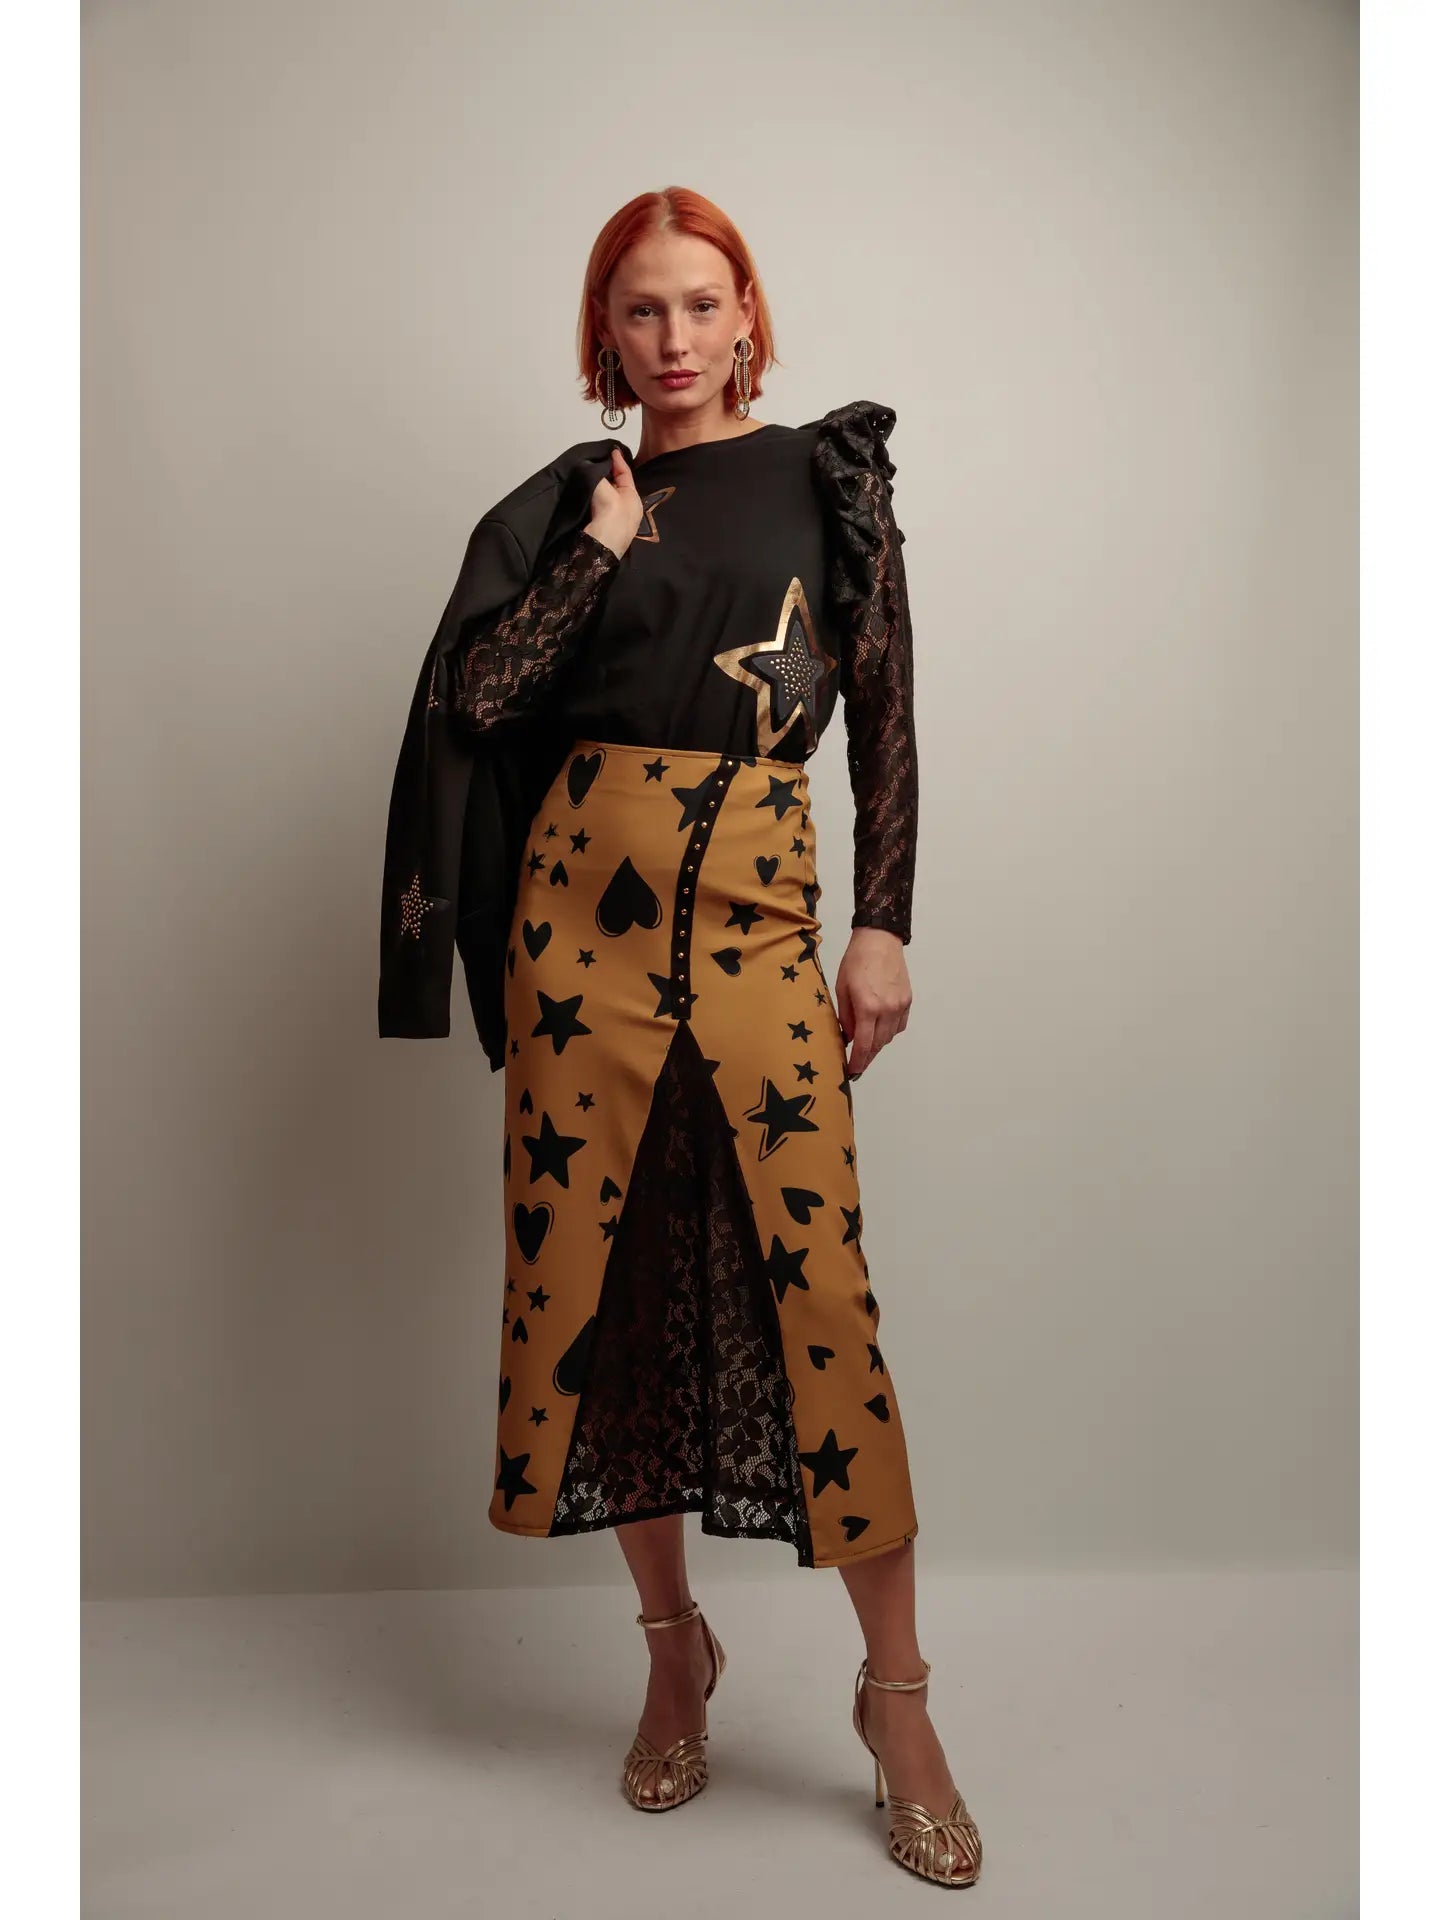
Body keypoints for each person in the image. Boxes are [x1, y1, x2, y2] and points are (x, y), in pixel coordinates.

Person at [437, 186, 980, 1887]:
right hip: (574, 934)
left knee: (822, 1297)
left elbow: (883, 709)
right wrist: (599, 551)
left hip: (754, 905)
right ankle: (676, 1653)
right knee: (605, 1297)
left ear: (749, 313)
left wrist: (880, 923)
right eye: (638, 310)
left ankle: (897, 1700)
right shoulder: (573, 502)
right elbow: (482, 699)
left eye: (699, 303)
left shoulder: (828, 478)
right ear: (603, 333)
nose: (671, 338)